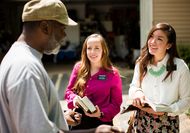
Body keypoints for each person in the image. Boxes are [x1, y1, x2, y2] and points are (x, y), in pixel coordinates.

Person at [0, 0, 123, 133]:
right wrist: (94, 131)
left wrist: (60, 117)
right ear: (45, 27)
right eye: (62, 28)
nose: (64, 35)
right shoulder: (26, 69)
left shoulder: (18, 57)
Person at [128, 23, 190, 132]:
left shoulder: (181, 67)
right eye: (151, 36)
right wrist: (137, 93)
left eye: (159, 39)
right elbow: (134, 86)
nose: (152, 42)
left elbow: (186, 101)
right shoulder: (141, 62)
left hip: (167, 124)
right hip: (141, 122)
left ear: (169, 45)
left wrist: (166, 110)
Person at [64, 33, 123, 130]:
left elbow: (116, 105)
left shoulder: (113, 74)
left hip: (102, 124)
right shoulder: (78, 68)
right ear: (85, 50)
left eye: (97, 48)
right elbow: (69, 91)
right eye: (89, 48)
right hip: (79, 122)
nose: (92, 52)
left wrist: (100, 113)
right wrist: (74, 99)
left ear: (103, 50)